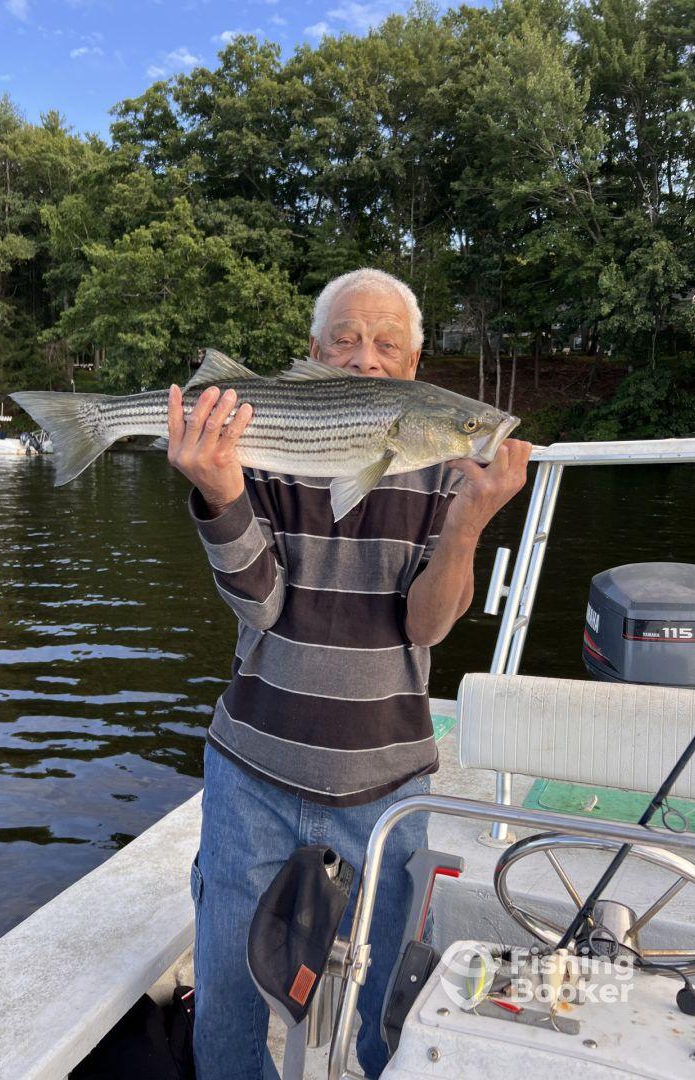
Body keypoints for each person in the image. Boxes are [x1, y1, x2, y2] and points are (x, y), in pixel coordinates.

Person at [167, 268, 532, 1079]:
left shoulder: (449, 470)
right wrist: (222, 493)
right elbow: (258, 608)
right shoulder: (254, 444)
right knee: (225, 1006)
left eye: (388, 344)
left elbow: (427, 625)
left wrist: (470, 523)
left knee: (388, 1015)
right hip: (252, 772)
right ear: (315, 354)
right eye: (347, 340)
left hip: (388, 784)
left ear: (415, 365)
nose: (367, 360)